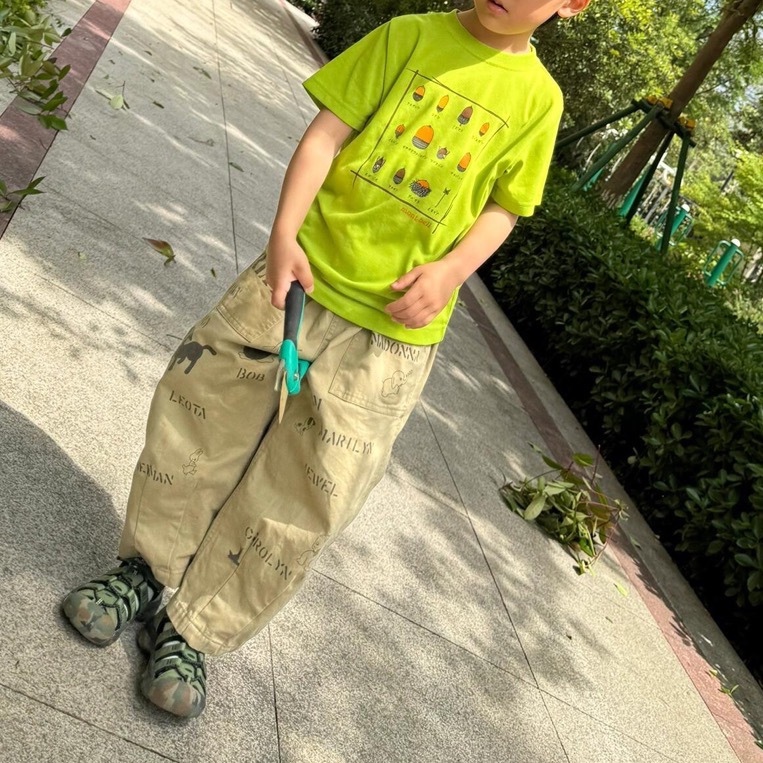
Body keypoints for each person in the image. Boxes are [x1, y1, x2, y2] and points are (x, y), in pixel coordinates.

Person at [62, 0, 590, 718]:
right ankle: (143, 571)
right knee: (199, 423)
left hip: (390, 339)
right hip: (297, 282)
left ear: (573, 4)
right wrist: (283, 234)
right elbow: (325, 135)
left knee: (306, 493)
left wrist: (451, 272)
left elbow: (503, 206)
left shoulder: (540, 100)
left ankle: (194, 628)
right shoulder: (409, 36)